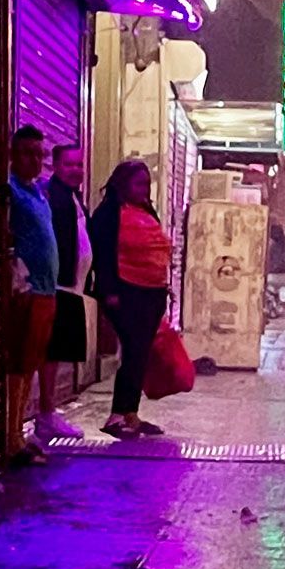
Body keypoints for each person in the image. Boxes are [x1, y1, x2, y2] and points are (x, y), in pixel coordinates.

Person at [88, 160, 174, 441]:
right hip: (125, 293)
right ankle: (117, 415)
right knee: (134, 350)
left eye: (146, 184)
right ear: (122, 183)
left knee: (139, 354)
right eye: (138, 183)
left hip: (151, 293)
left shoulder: (146, 210)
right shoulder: (110, 212)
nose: (143, 189)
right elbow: (101, 253)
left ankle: (130, 413)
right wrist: (109, 290)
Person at [0, 125, 59, 463]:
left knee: (32, 363)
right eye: (27, 153)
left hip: (46, 292)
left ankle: (20, 432)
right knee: (19, 365)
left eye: (39, 154)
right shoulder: (10, 192)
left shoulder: (37, 192)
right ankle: (11, 438)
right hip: (27, 291)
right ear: (12, 154)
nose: (34, 160)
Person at [38, 139, 90, 440]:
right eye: (69, 164)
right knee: (49, 352)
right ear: (55, 166)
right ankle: (45, 413)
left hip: (71, 286)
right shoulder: (52, 195)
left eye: (79, 164)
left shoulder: (71, 197)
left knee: (56, 353)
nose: (75, 170)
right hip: (57, 285)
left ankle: (48, 411)